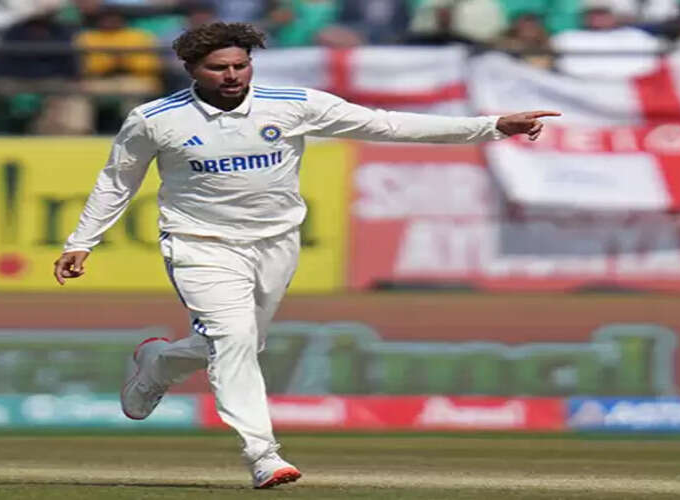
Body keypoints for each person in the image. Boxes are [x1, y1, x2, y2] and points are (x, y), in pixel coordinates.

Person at [52, 21, 558, 489]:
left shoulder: (291, 104)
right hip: (199, 243)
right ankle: (262, 454)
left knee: (243, 344)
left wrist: (492, 126)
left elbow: (385, 125)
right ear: (191, 69)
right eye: (218, 67)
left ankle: (159, 362)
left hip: (276, 241)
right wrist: (81, 241)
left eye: (240, 65)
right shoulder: (154, 119)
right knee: (233, 339)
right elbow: (117, 181)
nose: (232, 75)